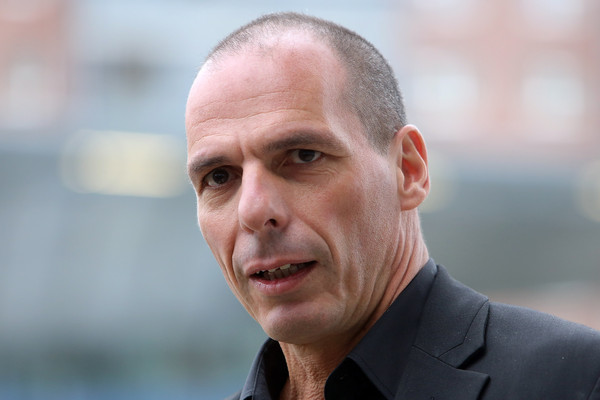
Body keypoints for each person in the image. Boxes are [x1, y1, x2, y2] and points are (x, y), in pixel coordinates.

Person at [185, 12, 600, 400]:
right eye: (219, 177)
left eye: (303, 156)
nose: (253, 211)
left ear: (407, 169)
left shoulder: (575, 380)